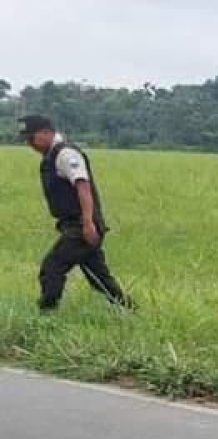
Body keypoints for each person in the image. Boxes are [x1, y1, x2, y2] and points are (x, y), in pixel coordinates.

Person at [16, 115, 133, 311]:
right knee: (98, 277)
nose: (30, 144)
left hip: (80, 226)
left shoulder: (65, 154)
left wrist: (87, 223)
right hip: (75, 225)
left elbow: (82, 185)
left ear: (46, 132)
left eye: (31, 138)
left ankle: (46, 314)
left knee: (51, 268)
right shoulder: (51, 156)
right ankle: (130, 310)